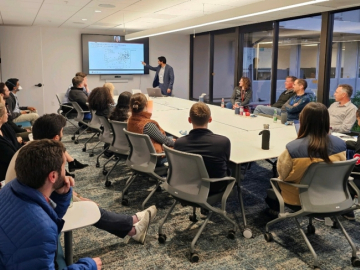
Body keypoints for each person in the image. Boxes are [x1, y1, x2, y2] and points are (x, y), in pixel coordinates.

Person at [5, 113, 157, 245]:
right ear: (56, 137)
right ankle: (132, 225)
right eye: (62, 132)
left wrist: (77, 197)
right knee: (90, 208)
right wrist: (81, 201)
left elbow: (56, 188)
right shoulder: (47, 160)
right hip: (34, 210)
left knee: (85, 202)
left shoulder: (31, 150)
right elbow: (55, 193)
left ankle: (131, 226)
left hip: (22, 205)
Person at [0, 139, 102, 270]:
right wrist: (88, 266)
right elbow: (40, 226)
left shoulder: (10, 188)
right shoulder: (42, 230)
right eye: (63, 167)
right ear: (53, 176)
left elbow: (47, 215)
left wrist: (61, 195)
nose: (65, 173)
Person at [265, 102, 346, 214]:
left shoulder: (293, 149)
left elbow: (283, 176)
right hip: (332, 194)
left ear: (303, 120)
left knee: (275, 176)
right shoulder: (341, 145)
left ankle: (273, 210)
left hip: (298, 198)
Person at [174, 102, 230, 195]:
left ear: (189, 120)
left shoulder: (179, 143)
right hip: (214, 187)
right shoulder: (223, 142)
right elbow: (226, 163)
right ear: (210, 119)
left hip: (186, 185)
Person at [127, 93, 174, 165]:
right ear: (146, 105)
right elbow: (165, 141)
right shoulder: (147, 125)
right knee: (182, 151)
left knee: (171, 138)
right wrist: (178, 142)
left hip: (139, 156)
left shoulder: (130, 121)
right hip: (153, 159)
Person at [0, 99, 22, 180]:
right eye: (6, 113)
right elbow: (12, 158)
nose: (8, 114)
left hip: (15, 165)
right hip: (7, 175)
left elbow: (16, 145)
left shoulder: (5, 127)